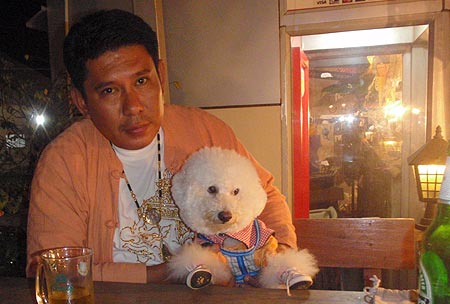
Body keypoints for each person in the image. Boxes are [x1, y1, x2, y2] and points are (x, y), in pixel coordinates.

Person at [26, 9, 296, 285]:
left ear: (161, 75)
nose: (133, 107)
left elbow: (265, 195)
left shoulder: (206, 131)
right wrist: (166, 273)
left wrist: (279, 260)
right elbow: (53, 272)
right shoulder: (64, 162)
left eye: (141, 81)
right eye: (109, 90)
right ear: (81, 102)